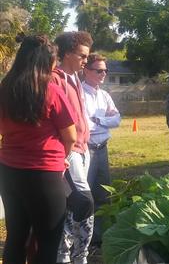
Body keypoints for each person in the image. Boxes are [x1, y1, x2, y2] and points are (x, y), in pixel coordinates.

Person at [0, 34, 76, 264]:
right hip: (44, 173)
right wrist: (64, 157)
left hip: (9, 170)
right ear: (46, 62)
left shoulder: (3, 89)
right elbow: (71, 136)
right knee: (48, 241)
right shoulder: (51, 90)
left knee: (16, 237)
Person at [52, 31, 95, 264]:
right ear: (67, 53)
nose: (85, 60)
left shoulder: (76, 79)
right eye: (82, 55)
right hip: (69, 152)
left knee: (71, 206)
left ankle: (72, 255)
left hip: (83, 149)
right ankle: (73, 256)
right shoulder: (55, 79)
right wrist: (66, 152)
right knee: (84, 201)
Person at [82, 53, 121, 245]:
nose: (103, 74)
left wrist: (100, 120)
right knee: (84, 195)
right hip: (86, 149)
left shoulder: (104, 95)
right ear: (86, 71)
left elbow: (117, 119)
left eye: (105, 70)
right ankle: (82, 238)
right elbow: (84, 125)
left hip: (102, 149)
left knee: (103, 194)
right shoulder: (79, 93)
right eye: (99, 70)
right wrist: (102, 122)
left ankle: (98, 237)